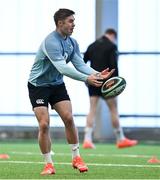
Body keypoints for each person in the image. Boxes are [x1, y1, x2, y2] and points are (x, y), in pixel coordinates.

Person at [27, 9, 115, 175]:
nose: (73, 24)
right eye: (70, 21)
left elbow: (80, 65)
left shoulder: (72, 42)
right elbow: (63, 67)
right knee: (44, 124)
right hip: (38, 86)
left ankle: (76, 157)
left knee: (68, 118)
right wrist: (86, 79)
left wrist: (96, 74)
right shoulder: (51, 42)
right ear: (60, 23)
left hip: (57, 85)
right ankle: (48, 164)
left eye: (73, 21)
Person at [82, 28, 138, 149]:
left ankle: (87, 139)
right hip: (108, 83)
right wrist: (116, 83)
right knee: (113, 110)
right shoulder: (112, 46)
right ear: (112, 35)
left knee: (92, 109)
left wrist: (87, 78)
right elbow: (114, 66)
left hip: (93, 81)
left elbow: (82, 62)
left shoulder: (92, 45)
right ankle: (120, 138)